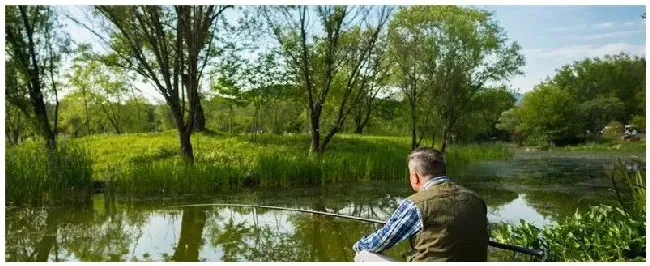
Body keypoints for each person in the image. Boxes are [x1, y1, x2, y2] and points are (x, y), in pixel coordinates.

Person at [352, 147, 488, 262]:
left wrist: (358, 245)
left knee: (362, 254)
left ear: (415, 177)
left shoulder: (415, 204)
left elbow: (381, 241)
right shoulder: (475, 199)